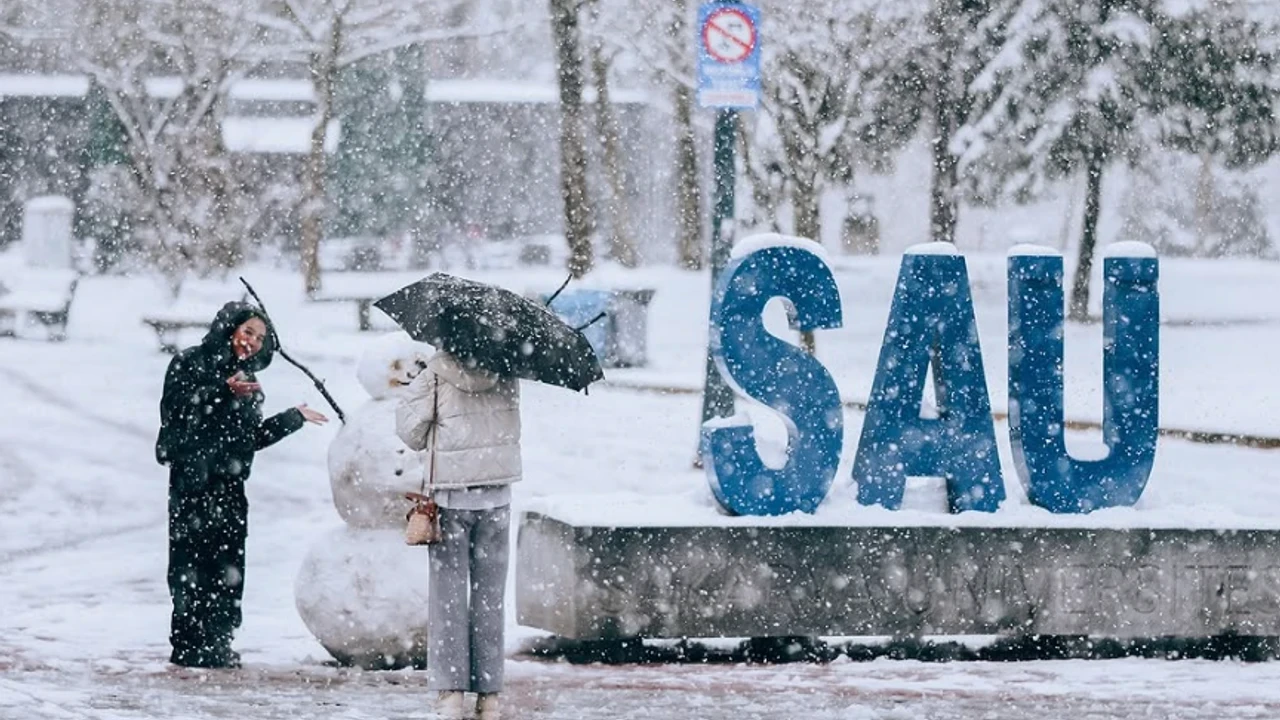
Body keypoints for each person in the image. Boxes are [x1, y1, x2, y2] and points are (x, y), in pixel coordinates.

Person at [155, 301, 328, 668]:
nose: (252, 341)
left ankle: (219, 641)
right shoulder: (189, 362)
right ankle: (189, 645)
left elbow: (249, 439)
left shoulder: (247, 380)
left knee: (228, 568)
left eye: (260, 338)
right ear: (229, 328)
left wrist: (293, 418)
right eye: (248, 331)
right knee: (190, 567)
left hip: (230, 487)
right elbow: (177, 414)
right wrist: (222, 392)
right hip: (192, 484)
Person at [396, 350, 520, 720]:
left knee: (447, 599)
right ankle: (489, 697)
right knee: (490, 599)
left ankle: (450, 695)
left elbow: (410, 433)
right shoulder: (508, 367)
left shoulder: (435, 372)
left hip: (450, 497)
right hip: (497, 496)